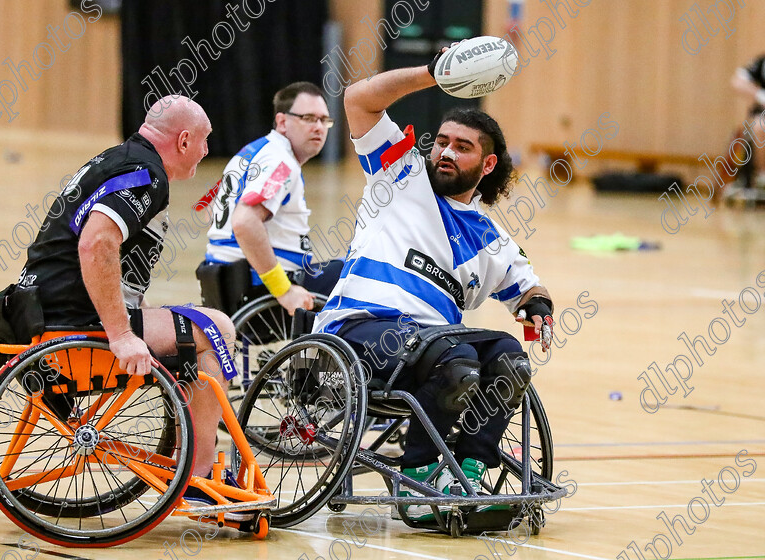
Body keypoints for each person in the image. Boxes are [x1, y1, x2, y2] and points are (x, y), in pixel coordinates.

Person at [312, 49, 554, 521]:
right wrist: (432, 73)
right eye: (441, 141)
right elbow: (359, 100)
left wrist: (537, 306)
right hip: (361, 329)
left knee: (508, 357)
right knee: (458, 361)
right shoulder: (397, 175)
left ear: (486, 166)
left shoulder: (492, 238)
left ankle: (470, 471)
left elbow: (528, 288)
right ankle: (419, 478)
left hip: (430, 344)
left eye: (462, 147)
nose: (445, 151)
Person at [7, 95, 234, 504]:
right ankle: (200, 477)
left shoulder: (117, 158)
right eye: (204, 141)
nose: (205, 151)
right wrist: (121, 334)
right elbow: (96, 244)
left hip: (38, 312)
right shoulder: (146, 174)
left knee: (184, 318)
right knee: (217, 327)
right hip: (71, 325)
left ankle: (189, 448)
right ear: (183, 141)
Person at [199, 82, 343, 316]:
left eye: (324, 120)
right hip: (256, 290)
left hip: (223, 284)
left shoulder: (252, 151)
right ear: (282, 122)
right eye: (308, 118)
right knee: (357, 272)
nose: (318, 127)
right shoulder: (280, 163)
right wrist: (284, 290)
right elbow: (244, 222)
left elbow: (215, 211)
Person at [730, 54, 765, 197]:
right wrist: (759, 94)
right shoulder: (762, 63)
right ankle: (763, 176)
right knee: (759, 126)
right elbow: (737, 82)